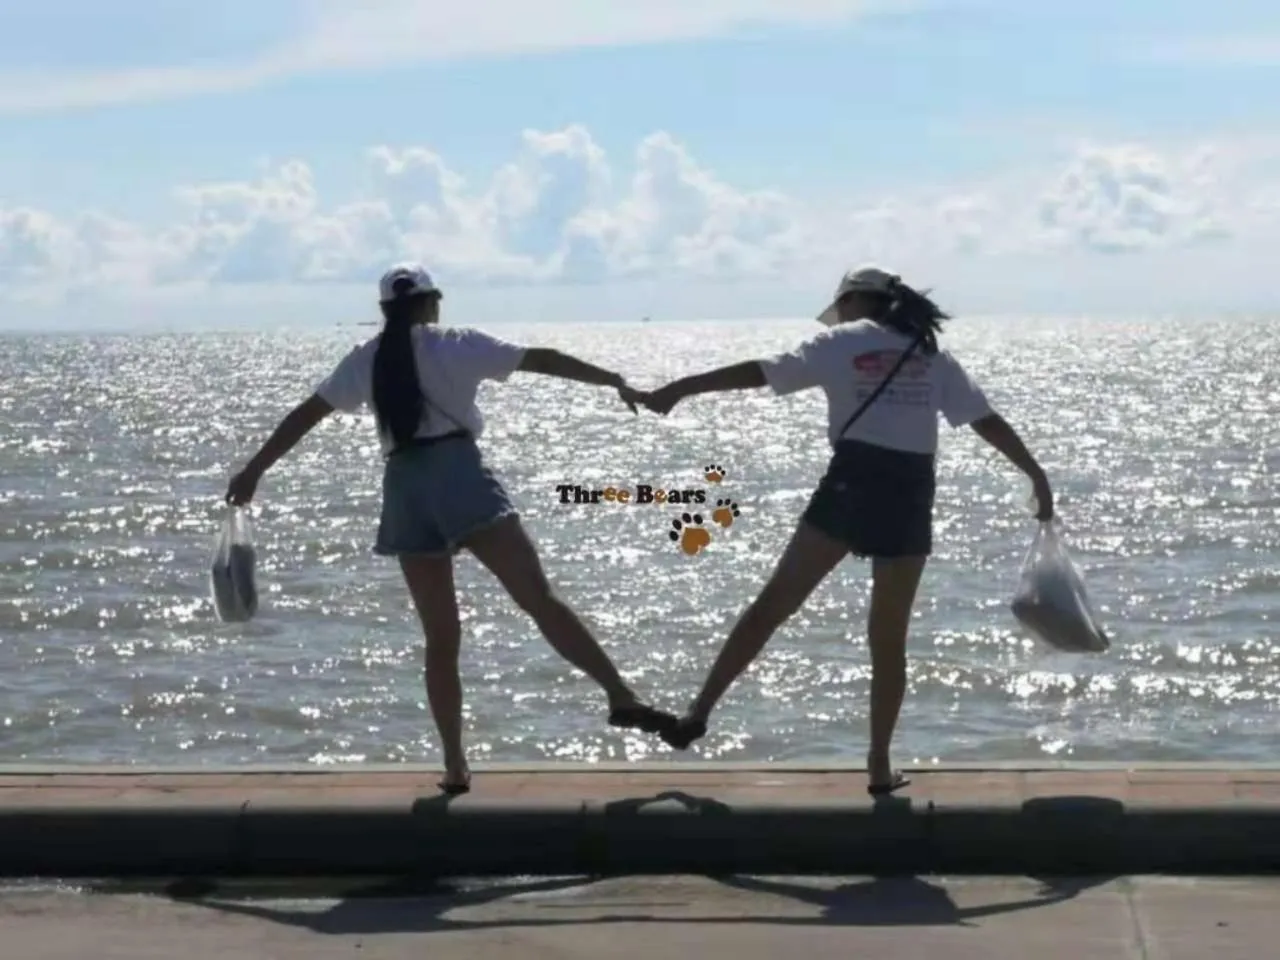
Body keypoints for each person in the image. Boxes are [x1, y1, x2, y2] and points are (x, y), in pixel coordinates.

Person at [224, 262, 677, 794]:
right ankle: (619, 694)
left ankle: (456, 765)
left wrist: (254, 470)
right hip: (459, 476)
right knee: (538, 599)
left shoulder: (366, 358)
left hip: (405, 488)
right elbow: (542, 360)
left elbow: (306, 414)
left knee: (441, 639)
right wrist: (611, 379)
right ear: (430, 302)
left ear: (385, 310)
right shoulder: (456, 343)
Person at [639, 265, 1054, 795]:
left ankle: (699, 711)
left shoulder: (841, 341)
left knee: (773, 605)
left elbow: (761, 371)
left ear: (856, 302)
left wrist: (680, 388)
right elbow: (984, 420)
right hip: (909, 490)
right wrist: (1034, 472)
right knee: (888, 639)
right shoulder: (930, 354)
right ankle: (879, 765)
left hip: (854, 480)